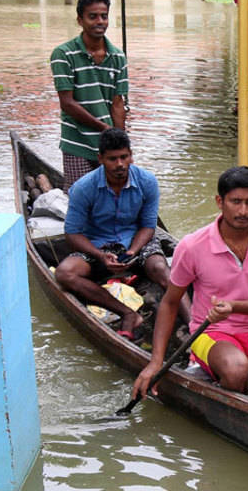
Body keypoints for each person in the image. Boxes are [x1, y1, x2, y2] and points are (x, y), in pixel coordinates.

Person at [132, 166, 248, 410]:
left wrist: (234, 306)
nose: (243, 211)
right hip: (211, 332)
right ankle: (246, 405)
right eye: (235, 202)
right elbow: (169, 302)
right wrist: (155, 362)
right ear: (220, 202)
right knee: (235, 370)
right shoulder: (192, 246)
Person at [57, 128, 190, 339]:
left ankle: (195, 327)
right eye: (112, 159)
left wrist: (132, 251)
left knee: (161, 269)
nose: (119, 164)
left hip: (136, 242)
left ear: (131, 155)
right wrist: (101, 256)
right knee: (64, 273)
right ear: (100, 159)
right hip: (98, 246)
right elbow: (72, 233)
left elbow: (148, 226)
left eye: (124, 157)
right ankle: (127, 313)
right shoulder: (83, 188)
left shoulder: (147, 182)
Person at [51, 0, 128, 189]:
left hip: (108, 143)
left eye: (104, 16)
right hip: (77, 141)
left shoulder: (118, 57)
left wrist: (119, 143)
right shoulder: (63, 54)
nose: (99, 21)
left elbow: (118, 103)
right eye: (92, 16)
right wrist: (105, 129)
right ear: (80, 20)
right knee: (80, 197)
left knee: (113, 197)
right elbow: (67, 103)